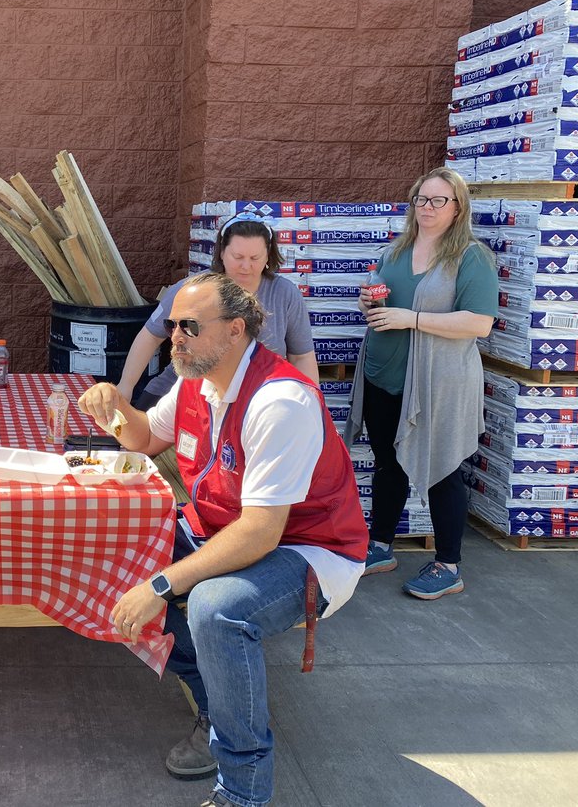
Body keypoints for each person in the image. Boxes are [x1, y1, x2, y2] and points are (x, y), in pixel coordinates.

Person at [77, 271, 367, 807]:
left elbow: (260, 533)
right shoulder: (196, 379)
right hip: (223, 529)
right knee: (119, 554)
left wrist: (160, 585)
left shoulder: (279, 400)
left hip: (310, 549)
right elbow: (143, 437)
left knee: (214, 608)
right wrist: (113, 406)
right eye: (171, 326)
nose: (175, 338)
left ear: (236, 330)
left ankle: (243, 791)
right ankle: (218, 703)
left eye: (190, 325)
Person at [344, 167, 497, 600]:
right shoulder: (396, 251)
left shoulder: (470, 257)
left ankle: (449, 565)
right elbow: (383, 296)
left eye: (438, 200)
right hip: (383, 377)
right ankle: (381, 546)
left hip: (435, 385)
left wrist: (410, 319)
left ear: (458, 207)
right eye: (421, 200)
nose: (427, 208)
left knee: (441, 470)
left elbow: (479, 323)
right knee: (387, 463)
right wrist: (368, 300)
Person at [117, 212, 317, 409]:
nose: (246, 266)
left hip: (259, 400)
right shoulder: (193, 289)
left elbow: (302, 356)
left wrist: (312, 405)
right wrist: (125, 387)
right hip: (180, 394)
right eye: (237, 256)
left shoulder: (285, 293)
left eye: (255, 258)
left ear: (268, 256)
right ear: (221, 253)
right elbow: (151, 336)